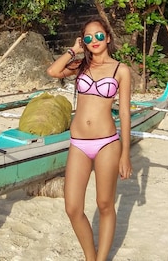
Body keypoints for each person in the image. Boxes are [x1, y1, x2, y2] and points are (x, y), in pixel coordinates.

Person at [47, 17, 132, 261]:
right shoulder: (80, 66)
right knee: (72, 208)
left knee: (105, 204)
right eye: (87, 37)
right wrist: (73, 50)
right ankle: (90, 257)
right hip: (79, 144)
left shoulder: (120, 70)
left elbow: (124, 113)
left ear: (108, 37)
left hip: (107, 142)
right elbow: (53, 71)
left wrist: (125, 153)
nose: (93, 40)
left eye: (98, 36)